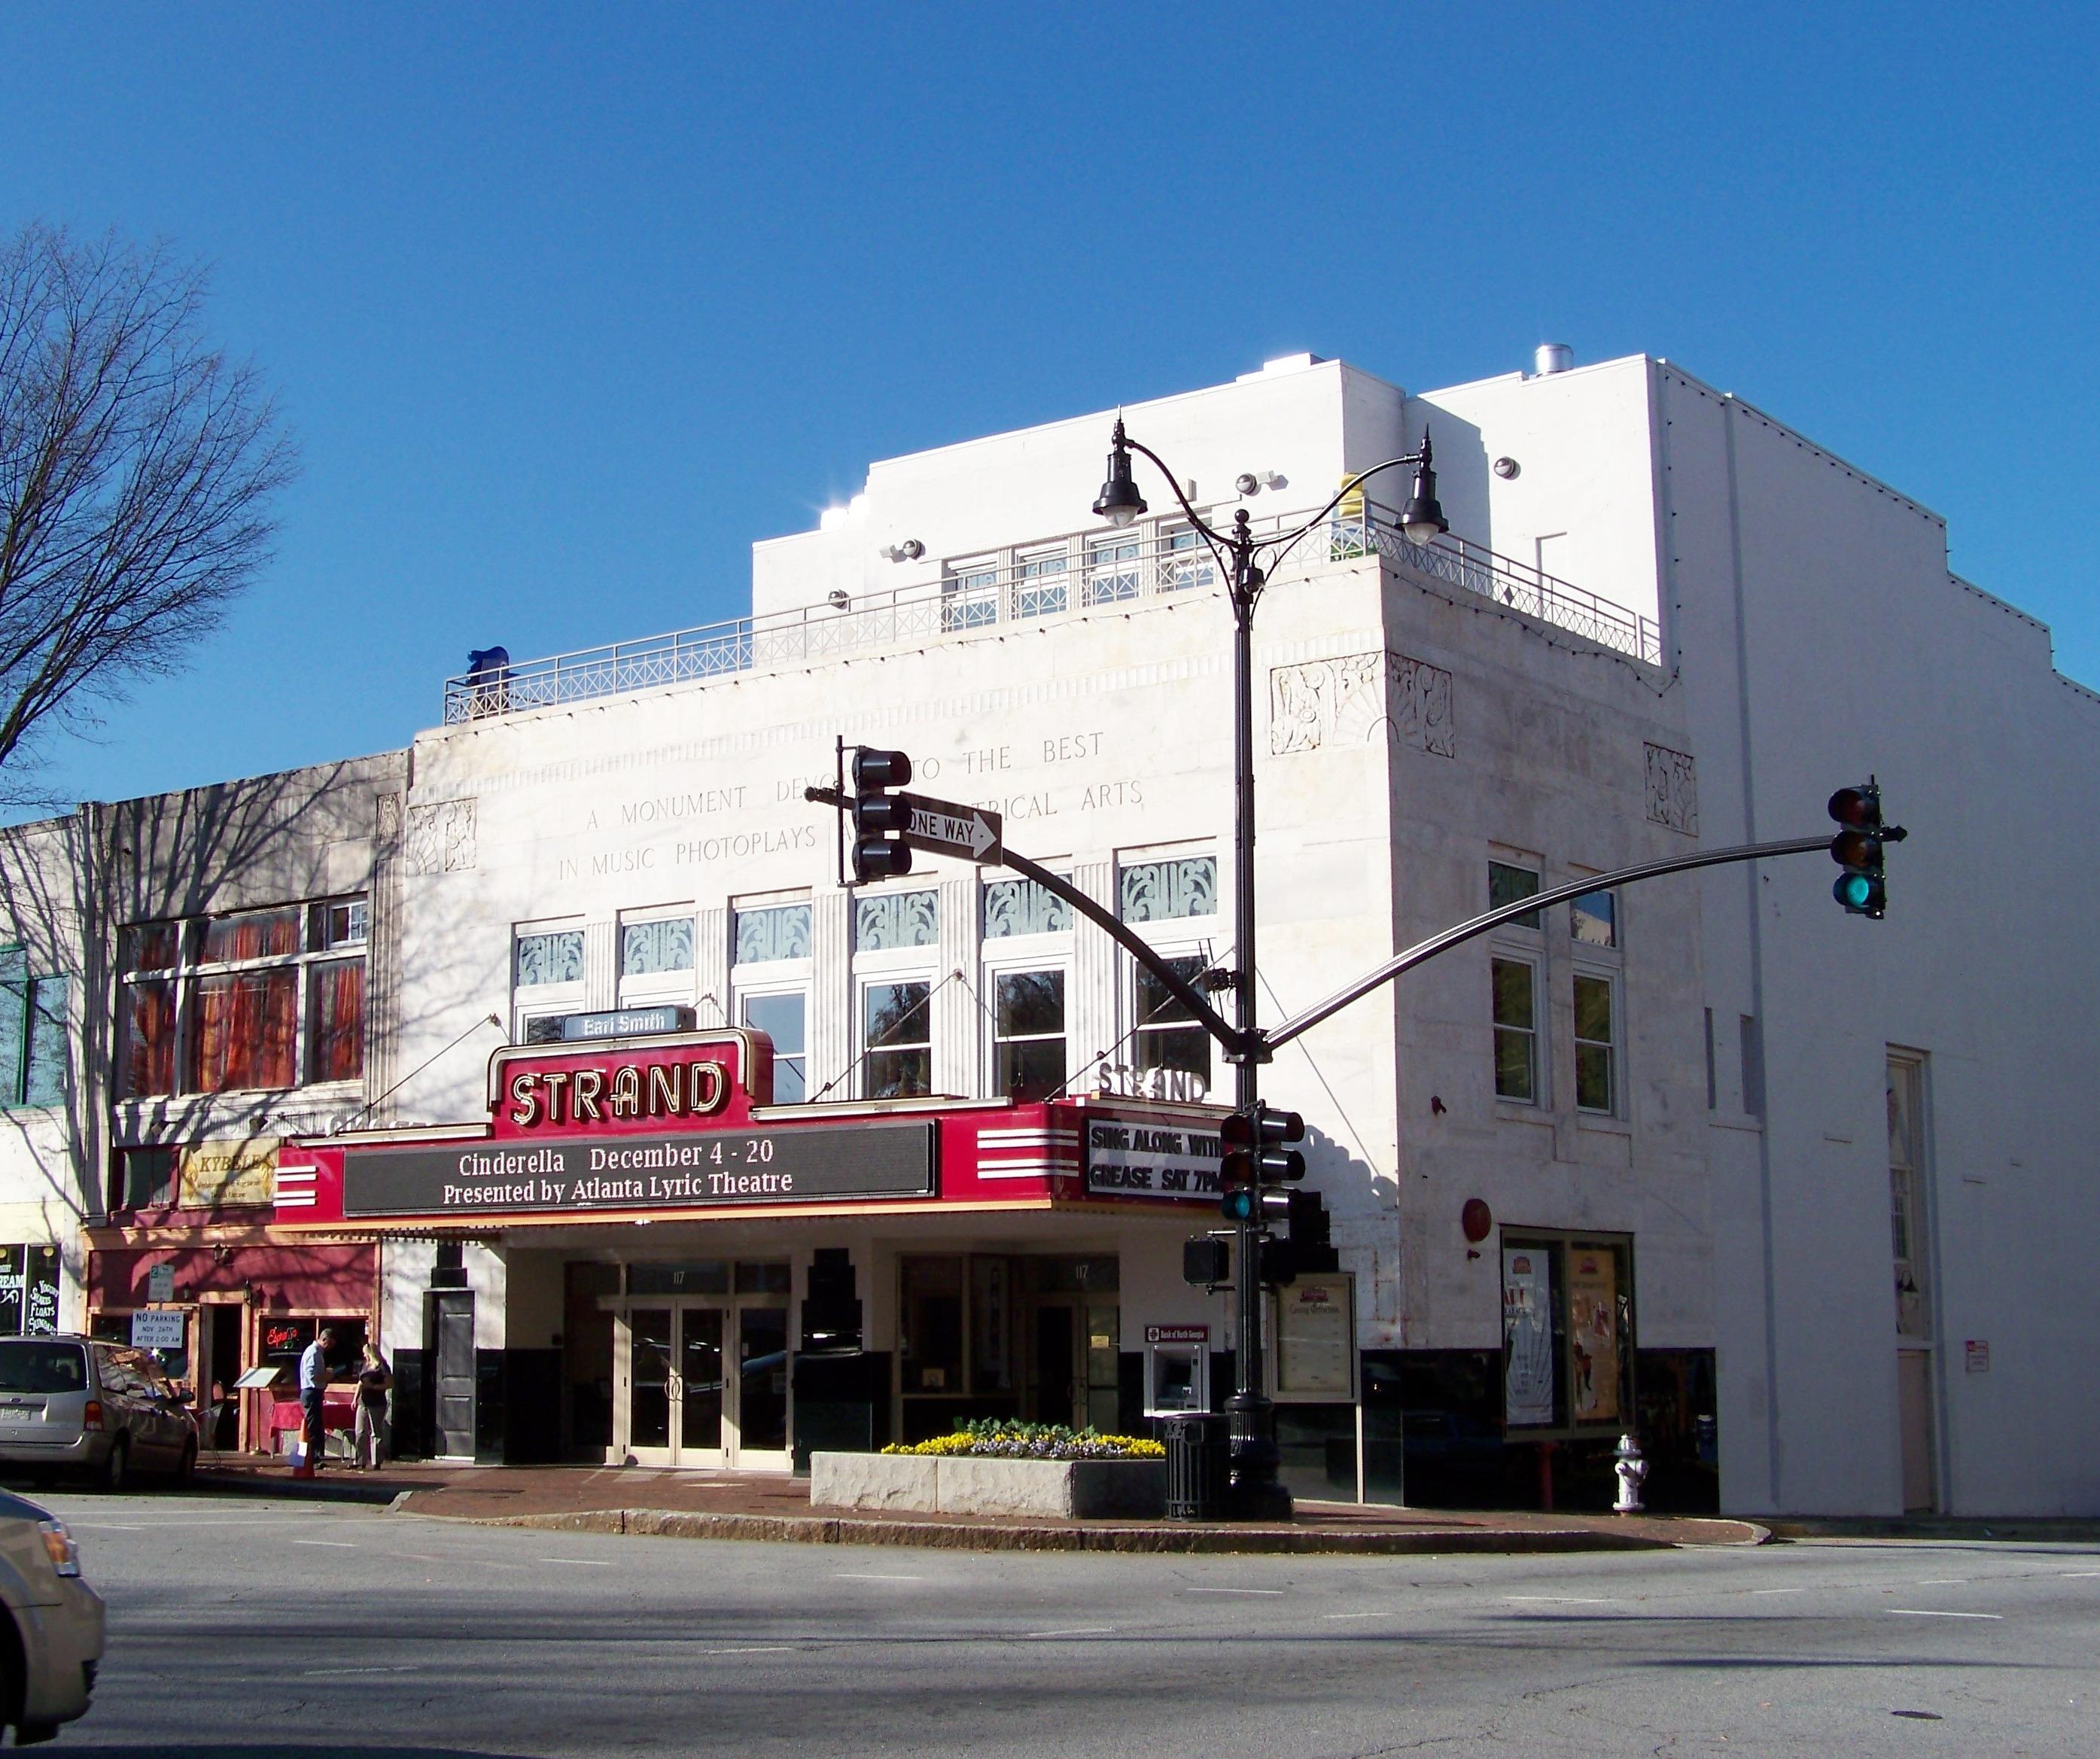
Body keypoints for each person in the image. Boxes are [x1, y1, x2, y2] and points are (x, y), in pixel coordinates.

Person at [298, 1327, 336, 1471]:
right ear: (324, 1339)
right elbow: (312, 1375)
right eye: (329, 1344)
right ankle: (309, 1459)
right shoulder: (313, 1353)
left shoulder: (317, 1353)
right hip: (311, 1392)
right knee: (312, 1427)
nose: (330, 1348)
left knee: (314, 1425)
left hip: (314, 1392)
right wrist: (327, 1375)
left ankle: (307, 1458)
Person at [354, 1341, 393, 1471]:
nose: (365, 1356)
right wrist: (355, 1398)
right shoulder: (365, 1366)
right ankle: (360, 1460)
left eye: (366, 1354)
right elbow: (360, 1383)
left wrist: (374, 1387)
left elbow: (390, 1383)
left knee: (375, 1433)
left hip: (377, 1403)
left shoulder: (382, 1366)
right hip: (363, 1402)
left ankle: (376, 1461)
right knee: (360, 1432)